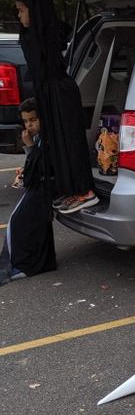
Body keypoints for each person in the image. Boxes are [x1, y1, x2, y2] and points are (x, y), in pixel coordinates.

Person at [14, 0, 98, 214]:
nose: (19, 16)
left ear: (35, 8)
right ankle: (71, 191)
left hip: (60, 94)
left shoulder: (46, 32)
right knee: (58, 145)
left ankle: (85, 191)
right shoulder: (32, 35)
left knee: (70, 143)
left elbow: (45, 6)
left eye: (21, 10)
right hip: (51, 94)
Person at [0, 98, 56, 284]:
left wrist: (30, 147)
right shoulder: (39, 137)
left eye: (33, 120)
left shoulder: (48, 138)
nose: (29, 125)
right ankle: (26, 261)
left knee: (19, 221)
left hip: (46, 186)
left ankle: (27, 264)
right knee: (20, 221)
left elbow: (43, 164)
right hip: (39, 185)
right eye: (26, 121)